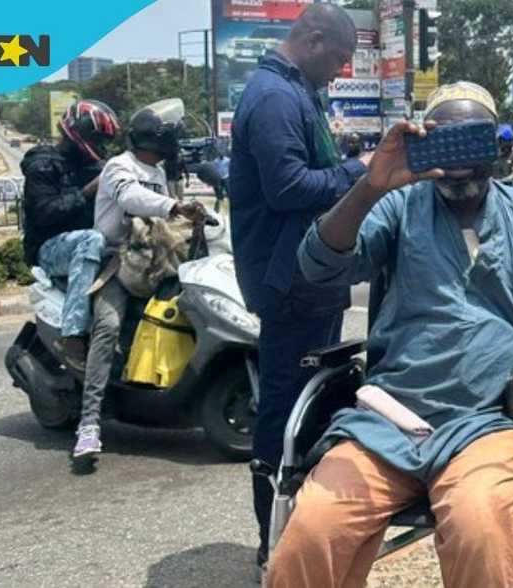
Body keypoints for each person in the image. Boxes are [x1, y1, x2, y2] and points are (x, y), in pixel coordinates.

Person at [267, 81, 513, 588]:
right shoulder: (398, 207)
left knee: (478, 527)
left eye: (473, 140)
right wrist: (371, 186)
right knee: (313, 531)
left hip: (489, 424)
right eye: (443, 140)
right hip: (387, 422)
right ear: (423, 144)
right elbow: (319, 266)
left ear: (498, 147)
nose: (458, 163)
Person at [226, 3, 368, 573]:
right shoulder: (275, 98)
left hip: (310, 275)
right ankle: (275, 543)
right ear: (311, 40)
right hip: (288, 280)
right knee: (287, 408)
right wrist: (359, 171)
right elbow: (287, 187)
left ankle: (300, 532)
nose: (339, 70)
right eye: (337, 58)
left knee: (315, 401)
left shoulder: (295, 91)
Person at [76, 98, 206, 460]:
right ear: (160, 139)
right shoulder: (120, 166)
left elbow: (168, 218)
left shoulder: (159, 173)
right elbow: (131, 197)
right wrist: (173, 206)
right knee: (108, 327)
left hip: (155, 260)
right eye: (174, 136)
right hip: (117, 262)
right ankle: (89, 423)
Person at [20, 100, 122, 370]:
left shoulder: (97, 166)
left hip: (90, 245)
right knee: (91, 240)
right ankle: (73, 335)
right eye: (98, 139)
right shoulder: (43, 165)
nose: (102, 146)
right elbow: (44, 213)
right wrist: (87, 191)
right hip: (49, 248)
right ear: (80, 132)